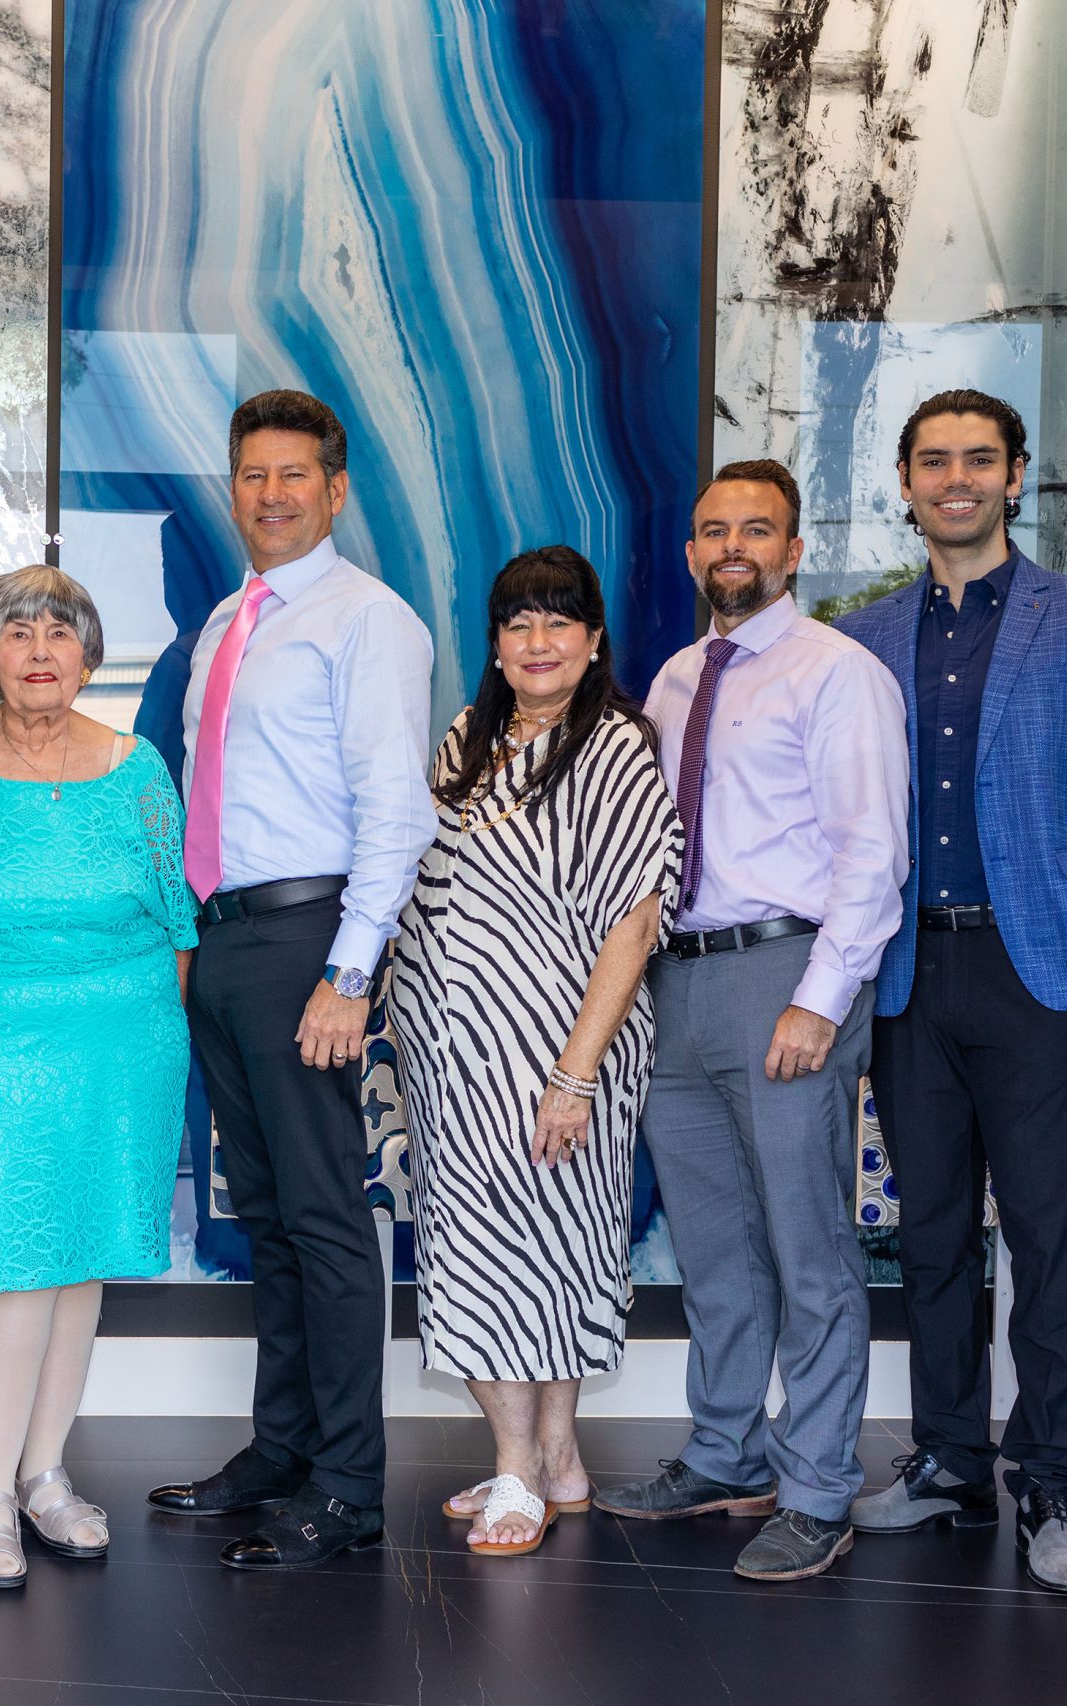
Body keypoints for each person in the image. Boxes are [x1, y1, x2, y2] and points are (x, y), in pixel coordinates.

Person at [837, 392, 1067, 1596]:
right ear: (904, 481)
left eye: (978, 459)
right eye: (933, 461)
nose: (956, 479)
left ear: (1016, 475)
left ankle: (1050, 1480)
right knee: (930, 1237)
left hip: (1034, 973)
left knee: (1045, 1238)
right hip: (905, 975)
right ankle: (947, 1460)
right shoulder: (865, 638)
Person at [594, 459, 908, 1583]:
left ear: (793, 550)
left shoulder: (838, 672)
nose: (733, 546)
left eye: (757, 529)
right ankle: (726, 1452)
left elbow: (873, 852)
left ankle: (817, 1486)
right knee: (715, 1247)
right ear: (692, 553)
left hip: (783, 973)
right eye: (714, 530)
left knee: (808, 1248)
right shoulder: (677, 677)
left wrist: (819, 1002)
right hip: (675, 984)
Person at [147, 389, 436, 1571]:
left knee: (323, 1215)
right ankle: (283, 1447)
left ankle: (350, 1484)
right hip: (225, 942)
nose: (270, 494)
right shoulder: (229, 621)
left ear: (335, 488)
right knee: (263, 1213)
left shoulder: (369, 619)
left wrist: (348, 971)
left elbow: (397, 811)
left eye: (293, 474)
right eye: (251, 474)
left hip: (309, 940)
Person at [0, 566, 197, 1589]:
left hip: (120, 1037)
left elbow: (177, 921)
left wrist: (154, 1042)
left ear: (87, 656)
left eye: (59, 633)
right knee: (11, 1258)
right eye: (17, 631)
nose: (38, 650)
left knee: (81, 1258)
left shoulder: (138, 767)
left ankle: (45, 1474)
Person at [388, 546, 682, 1558]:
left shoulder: (614, 749)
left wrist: (573, 1073)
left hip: (562, 1051)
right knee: (506, 1250)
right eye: (518, 623)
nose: (538, 640)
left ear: (594, 639)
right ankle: (554, 1458)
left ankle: (515, 1467)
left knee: (537, 1250)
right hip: (454, 1057)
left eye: (559, 620)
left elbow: (634, 921)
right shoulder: (466, 739)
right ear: (497, 643)